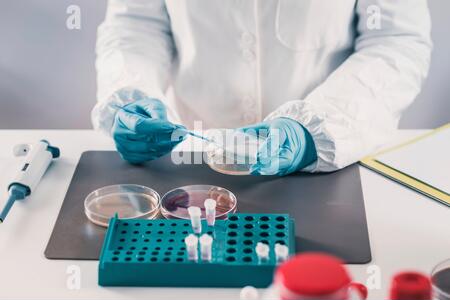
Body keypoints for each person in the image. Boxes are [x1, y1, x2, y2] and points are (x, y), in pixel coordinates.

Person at [92, 0, 432, 175]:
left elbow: (395, 39)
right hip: (193, 153)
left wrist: (319, 130)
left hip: (333, 155)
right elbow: (137, 23)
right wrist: (130, 91)